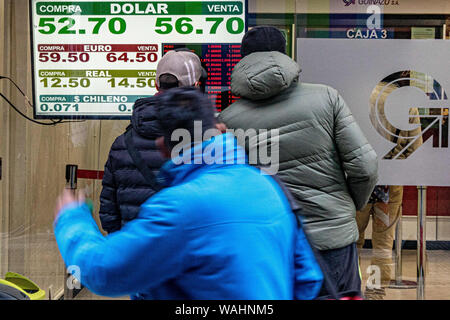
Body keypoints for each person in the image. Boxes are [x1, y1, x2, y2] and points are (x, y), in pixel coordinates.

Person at [53, 87, 323, 300]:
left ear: (163, 147)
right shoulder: (268, 187)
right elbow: (308, 279)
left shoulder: (179, 207)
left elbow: (104, 272)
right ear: (221, 130)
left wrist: (72, 220)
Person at [218, 26, 378, 299]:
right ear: (285, 56)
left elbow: (229, 190)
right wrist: (346, 204)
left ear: (243, 60)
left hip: (269, 244)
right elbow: (365, 165)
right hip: (332, 240)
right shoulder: (327, 98)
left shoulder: (228, 120)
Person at [99, 49, 205, 233]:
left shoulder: (122, 144)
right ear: (195, 87)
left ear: (156, 85)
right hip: (186, 255)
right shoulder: (206, 142)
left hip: (134, 254)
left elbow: (108, 214)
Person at [357, 81, 423, 299]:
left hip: (356, 180)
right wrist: (395, 160)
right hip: (389, 183)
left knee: (350, 241)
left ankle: (350, 288)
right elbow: (414, 148)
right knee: (383, 245)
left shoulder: (355, 91)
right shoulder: (405, 102)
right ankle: (375, 292)